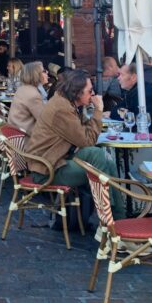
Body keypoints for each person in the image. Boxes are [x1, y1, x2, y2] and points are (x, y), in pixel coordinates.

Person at [25, 69, 126, 221]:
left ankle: (116, 217)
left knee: (102, 158)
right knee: (99, 161)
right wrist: (98, 110)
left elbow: (83, 132)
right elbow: (87, 139)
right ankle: (110, 219)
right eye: (89, 91)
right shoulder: (62, 109)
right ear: (77, 92)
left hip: (56, 159)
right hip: (47, 169)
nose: (92, 94)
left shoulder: (66, 102)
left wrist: (86, 109)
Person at [115, 63, 152, 133]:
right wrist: (124, 113)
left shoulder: (144, 93)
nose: (118, 78)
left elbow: (135, 121)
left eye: (122, 75)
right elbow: (115, 111)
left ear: (133, 77)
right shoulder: (133, 91)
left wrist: (125, 113)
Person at [7, 61, 49, 132]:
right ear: (36, 75)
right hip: (25, 137)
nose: (47, 73)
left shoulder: (23, 88)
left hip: (15, 131)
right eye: (44, 71)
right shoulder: (33, 94)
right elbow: (44, 120)